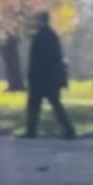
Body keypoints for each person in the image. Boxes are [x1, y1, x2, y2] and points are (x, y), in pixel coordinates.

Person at [26, 12, 76, 140]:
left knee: (37, 105)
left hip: (42, 78)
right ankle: (68, 130)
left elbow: (40, 59)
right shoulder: (51, 36)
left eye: (37, 20)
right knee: (52, 104)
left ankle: (32, 131)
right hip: (50, 78)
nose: (35, 23)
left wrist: (33, 75)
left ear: (42, 21)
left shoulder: (42, 37)